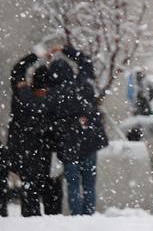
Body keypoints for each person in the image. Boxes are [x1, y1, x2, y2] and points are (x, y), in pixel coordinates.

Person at [46, 44, 108, 216]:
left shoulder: (53, 95)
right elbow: (85, 61)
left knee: (73, 184)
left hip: (68, 144)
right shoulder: (83, 84)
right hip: (89, 139)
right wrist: (66, 49)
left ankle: (76, 216)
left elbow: (51, 121)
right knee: (89, 183)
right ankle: (88, 215)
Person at [8, 57, 62, 216]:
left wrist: (35, 56)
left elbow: (17, 71)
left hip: (24, 150)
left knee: (29, 186)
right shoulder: (52, 101)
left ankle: (31, 218)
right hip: (46, 152)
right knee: (50, 186)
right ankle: (53, 218)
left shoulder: (22, 95)